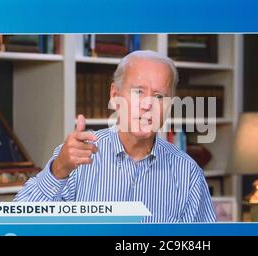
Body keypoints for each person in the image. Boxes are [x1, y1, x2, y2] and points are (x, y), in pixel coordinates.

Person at [14, 50, 216, 223]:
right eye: (138, 91)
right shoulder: (76, 158)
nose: (148, 104)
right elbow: (18, 222)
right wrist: (59, 170)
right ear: (114, 95)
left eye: (159, 96)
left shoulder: (188, 174)